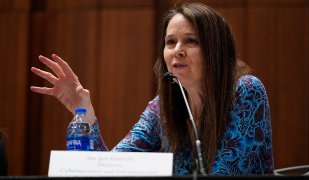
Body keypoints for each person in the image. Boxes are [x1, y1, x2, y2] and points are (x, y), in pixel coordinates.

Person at [30, 2, 274, 175]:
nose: (177, 49)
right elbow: (111, 168)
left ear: (216, 50)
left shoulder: (246, 91)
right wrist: (85, 114)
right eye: (170, 42)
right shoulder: (162, 107)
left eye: (191, 40)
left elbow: (227, 172)